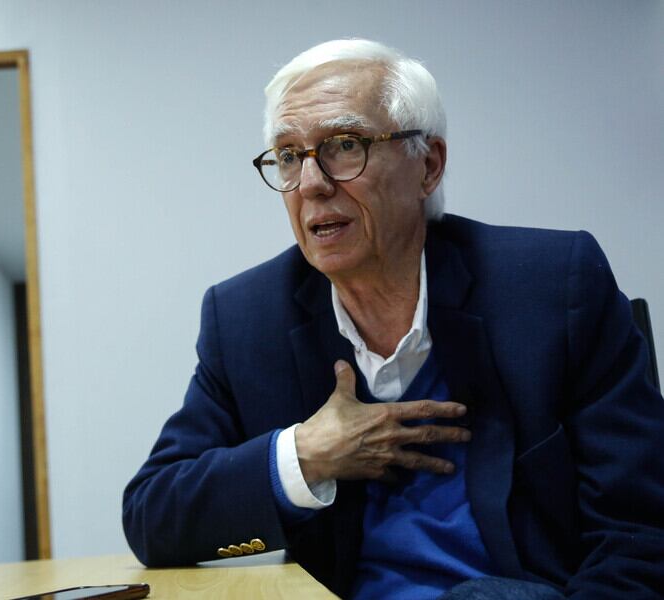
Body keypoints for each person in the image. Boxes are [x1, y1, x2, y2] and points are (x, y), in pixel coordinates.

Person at [121, 39, 664, 599]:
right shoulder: (246, 318)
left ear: (427, 165)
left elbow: (641, 532)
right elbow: (151, 516)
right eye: (288, 155)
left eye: (345, 145)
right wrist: (306, 454)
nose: (310, 183)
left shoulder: (553, 287)